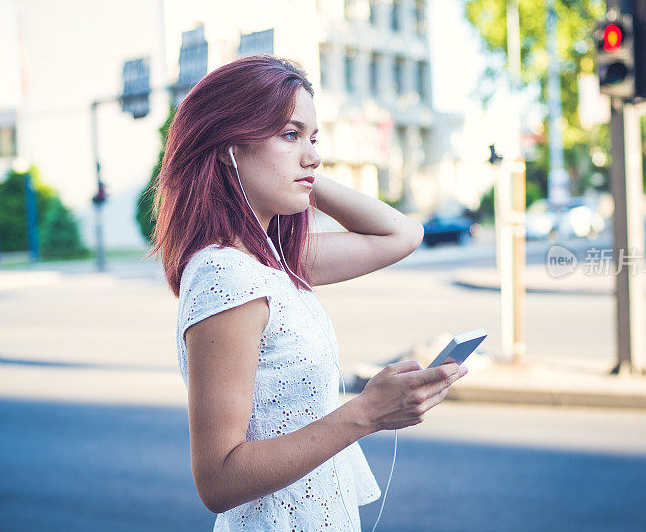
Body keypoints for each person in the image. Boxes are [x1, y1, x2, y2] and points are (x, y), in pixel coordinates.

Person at [148, 54, 468, 531]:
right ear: (225, 147)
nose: (315, 154)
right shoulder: (225, 275)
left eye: (314, 137)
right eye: (289, 133)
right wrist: (366, 413)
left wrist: (301, 174)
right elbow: (217, 481)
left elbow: (402, 234)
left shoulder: (271, 260)